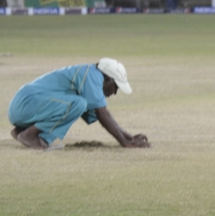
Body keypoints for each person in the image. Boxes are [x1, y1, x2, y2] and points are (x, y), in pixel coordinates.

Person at [8, 59, 150, 150]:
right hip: (26, 104)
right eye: (116, 87)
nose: (115, 92)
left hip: (21, 108)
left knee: (78, 103)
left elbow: (101, 113)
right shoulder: (93, 76)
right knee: (78, 103)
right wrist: (126, 143)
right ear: (108, 79)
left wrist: (129, 137)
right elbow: (102, 114)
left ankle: (22, 130)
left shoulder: (90, 73)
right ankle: (30, 135)